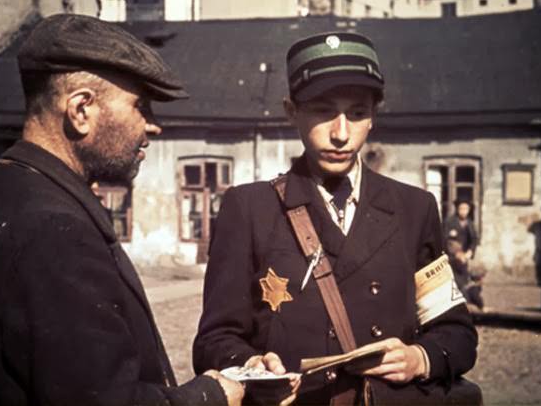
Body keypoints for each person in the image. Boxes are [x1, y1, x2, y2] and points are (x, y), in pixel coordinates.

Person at [0, 15, 244, 406]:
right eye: (140, 107)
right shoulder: (53, 230)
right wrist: (212, 394)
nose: (154, 126)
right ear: (81, 110)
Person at [193, 32, 479, 405]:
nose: (341, 134)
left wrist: (419, 358)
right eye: (323, 111)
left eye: (357, 113)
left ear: (374, 116)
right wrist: (251, 366)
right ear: (291, 111)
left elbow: (456, 334)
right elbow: (214, 340)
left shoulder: (414, 209)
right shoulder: (249, 209)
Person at [442, 200, 479, 292]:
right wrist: (456, 253)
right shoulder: (449, 222)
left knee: (464, 280)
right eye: (461, 208)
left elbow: (474, 239)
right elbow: (444, 239)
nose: (463, 211)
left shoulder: (470, 223)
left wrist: (470, 251)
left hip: (464, 257)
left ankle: (466, 301)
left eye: (466, 209)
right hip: (452, 257)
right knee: (453, 280)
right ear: (457, 209)